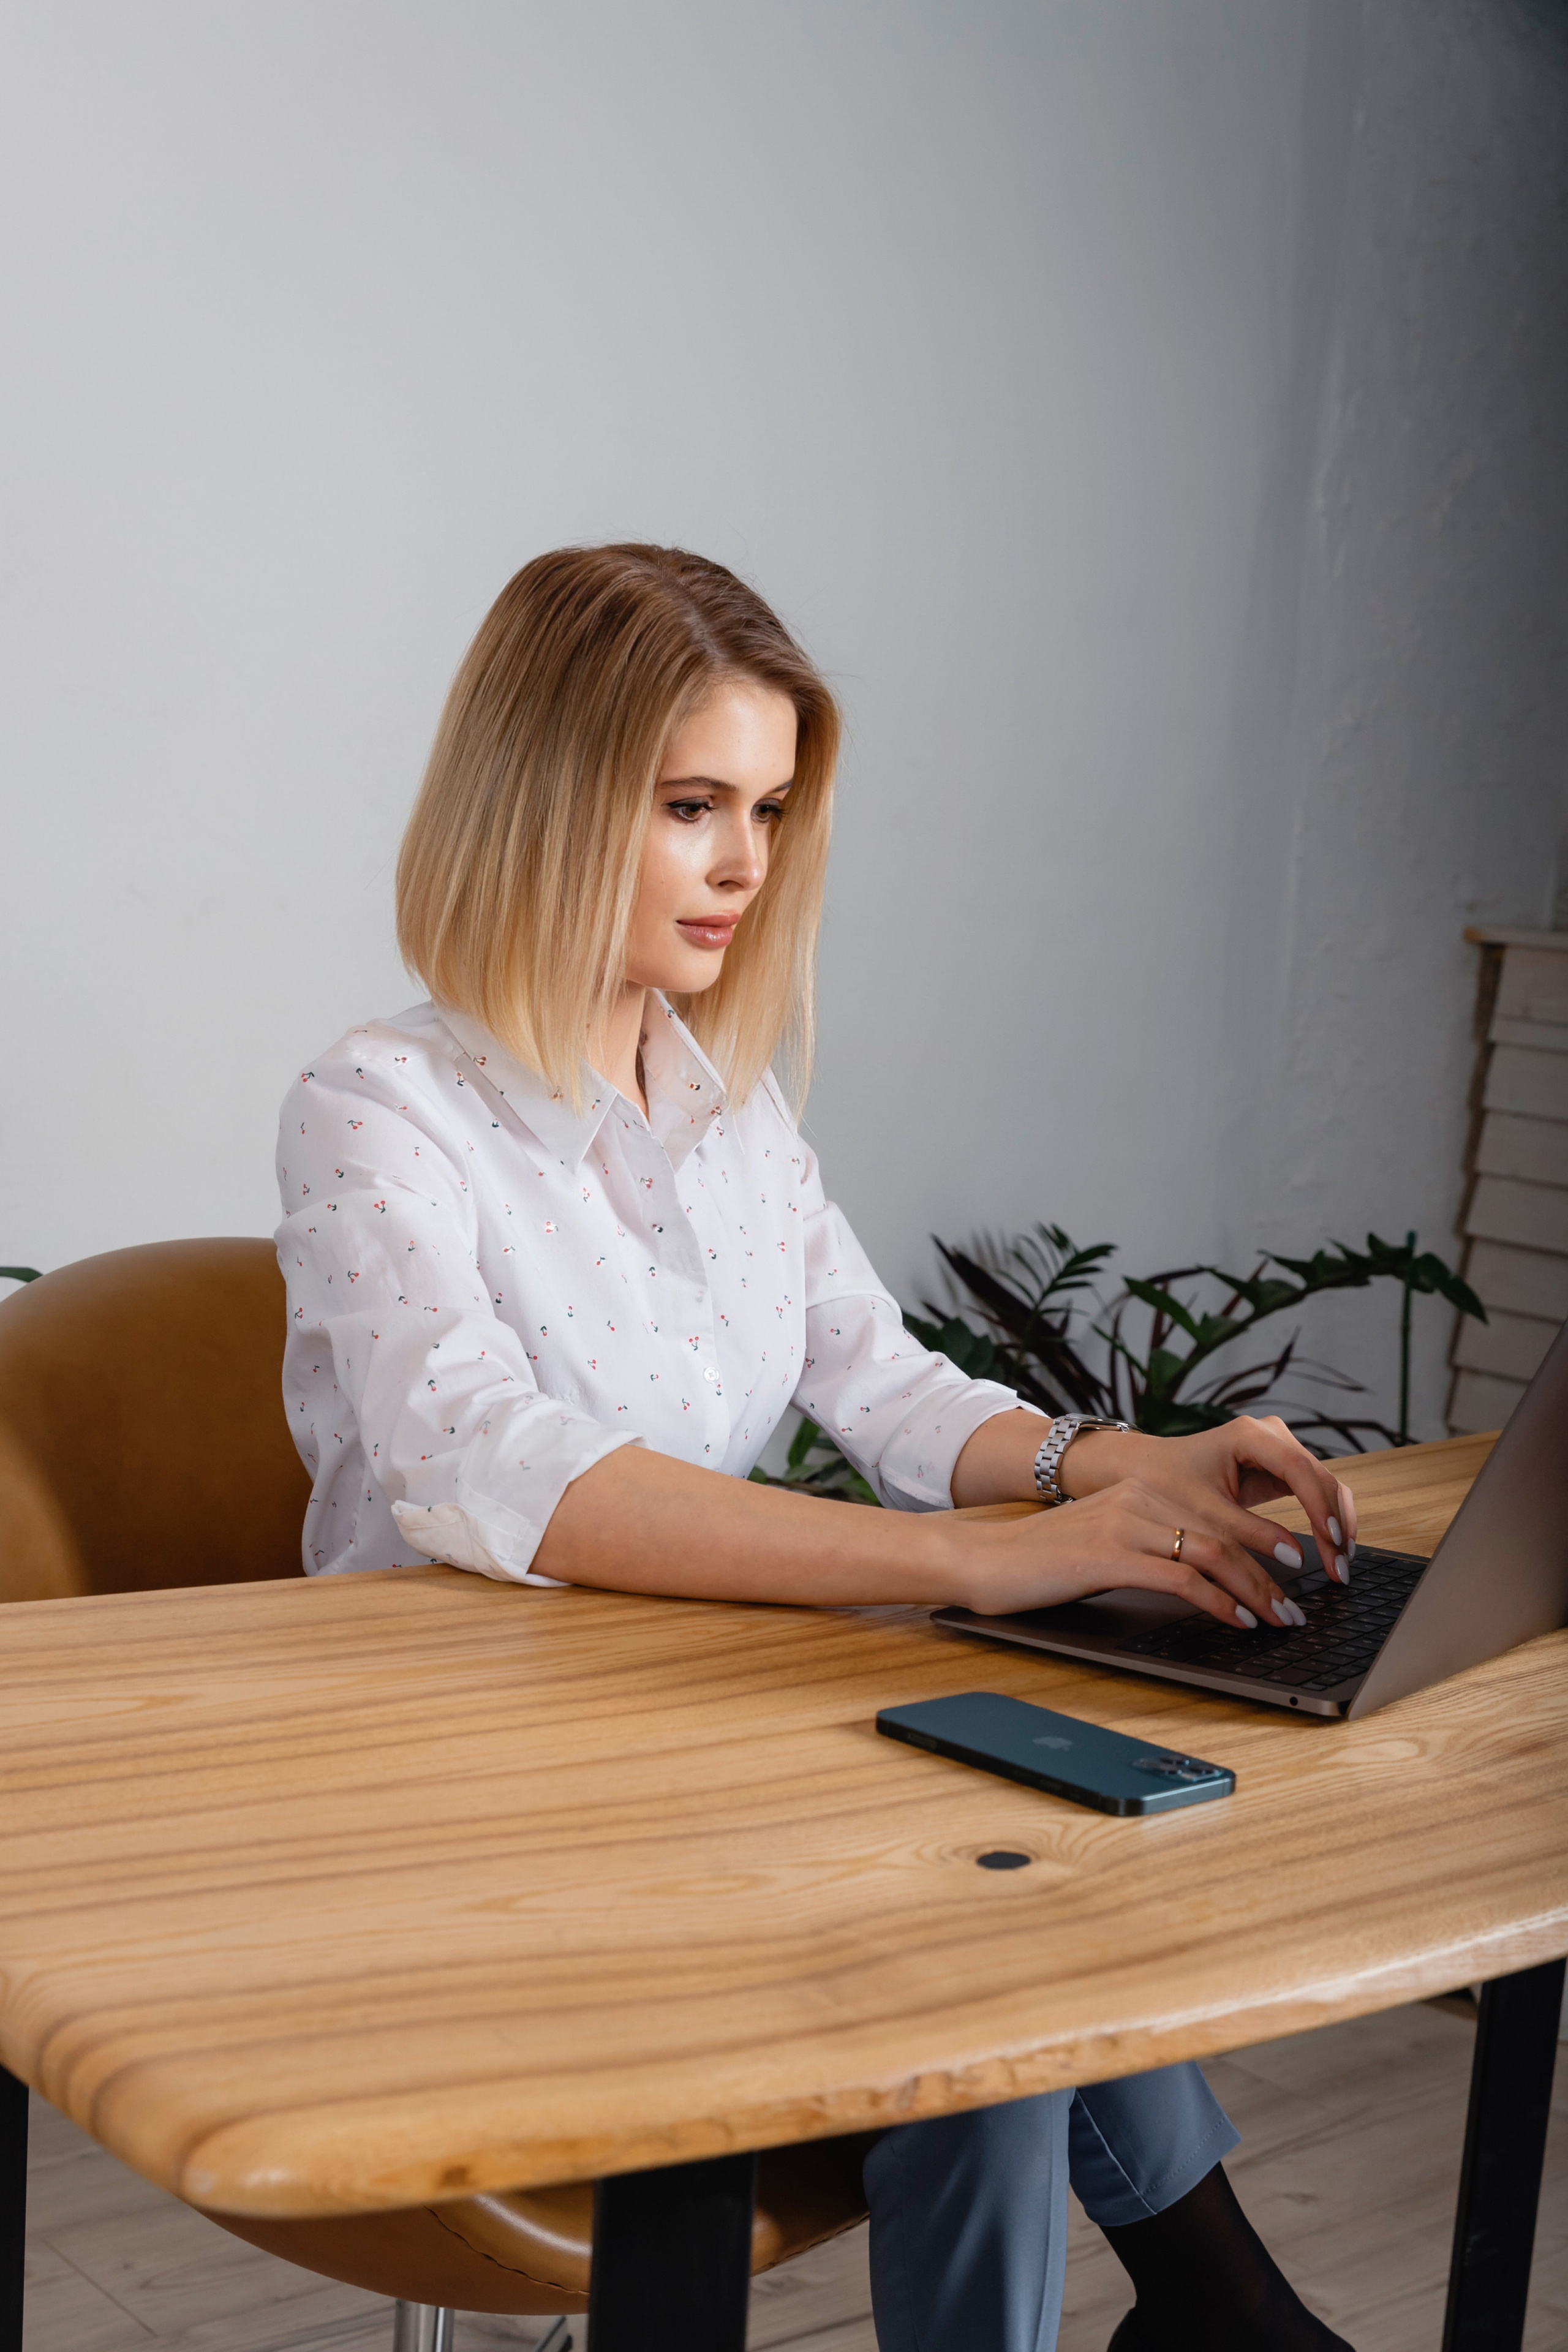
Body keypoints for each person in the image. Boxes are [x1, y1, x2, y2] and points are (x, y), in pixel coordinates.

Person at [277, 543, 1356, 2352]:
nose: (746, 864)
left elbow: (886, 1382)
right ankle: (1222, 2308)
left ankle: (1216, 2313)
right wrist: (973, 1560)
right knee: (985, 1976)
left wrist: (1117, 1466)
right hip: (469, 1810)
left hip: (700, 1747)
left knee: (1004, 1951)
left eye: (769, 809)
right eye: (690, 804)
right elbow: (488, 1455)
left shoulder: (735, 1112)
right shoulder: (378, 1108)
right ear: (541, 800)